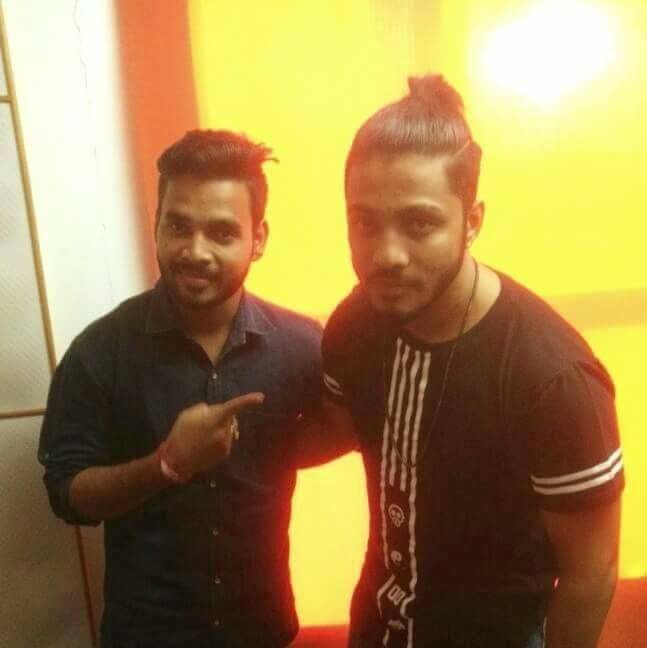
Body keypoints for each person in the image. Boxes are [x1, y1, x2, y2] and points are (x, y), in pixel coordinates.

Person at [307, 75, 624, 647]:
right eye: (364, 222)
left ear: (472, 220)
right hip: (377, 630)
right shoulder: (355, 325)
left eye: (419, 223)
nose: (387, 254)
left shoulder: (552, 379)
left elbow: (590, 575)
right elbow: (336, 429)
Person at [38, 129, 322, 648]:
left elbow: (345, 425)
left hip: (261, 633)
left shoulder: (303, 348)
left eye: (222, 232)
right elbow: (67, 495)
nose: (196, 251)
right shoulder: (100, 352)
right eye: (178, 226)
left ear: (258, 239)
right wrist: (166, 464)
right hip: (147, 636)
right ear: (156, 225)